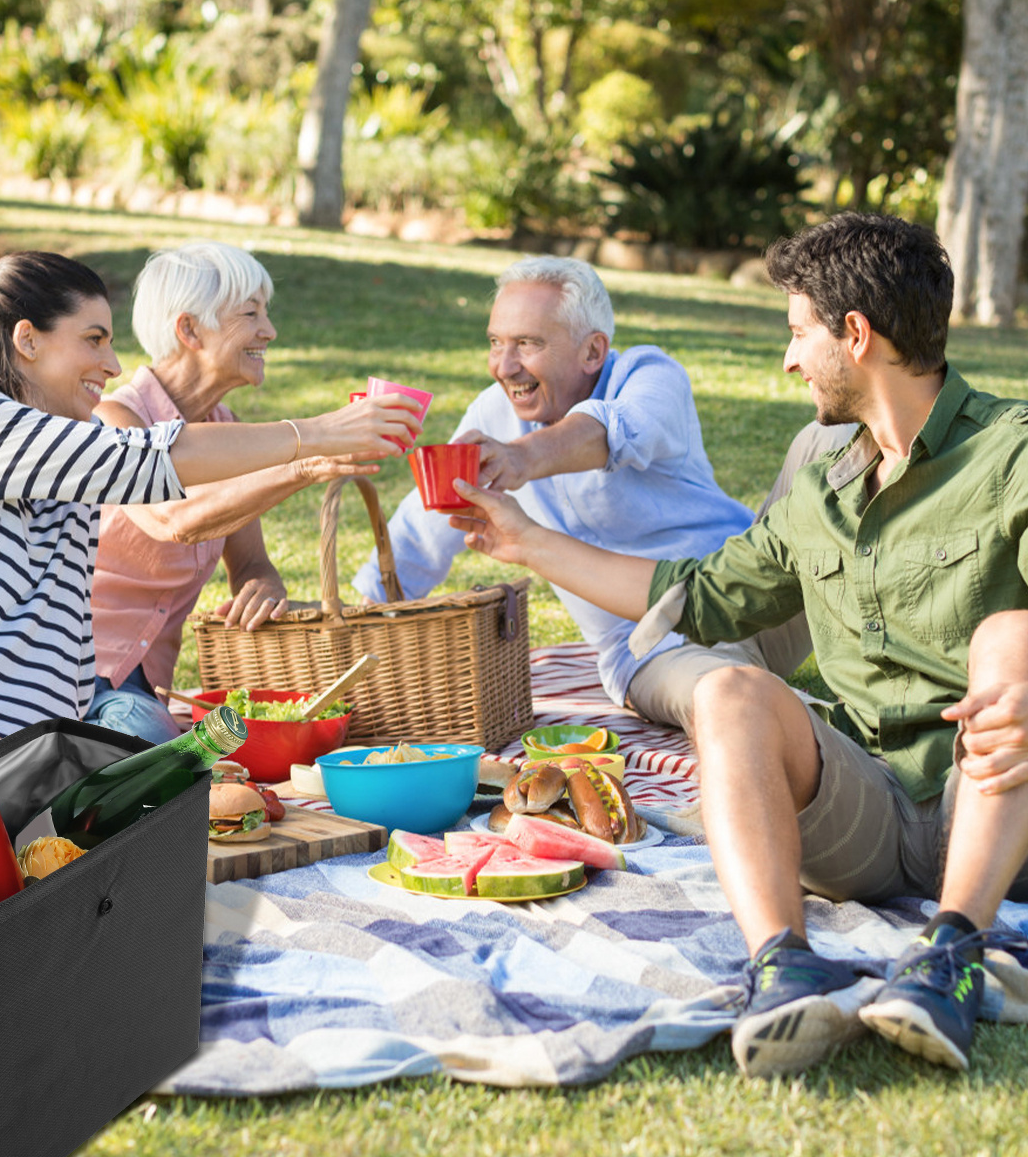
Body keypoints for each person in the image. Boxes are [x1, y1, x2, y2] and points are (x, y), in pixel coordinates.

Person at [450, 213, 1028, 1078]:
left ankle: (950, 953)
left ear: (856, 336)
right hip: (870, 805)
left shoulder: (1012, 450)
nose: (790, 358)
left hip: (990, 800)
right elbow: (702, 595)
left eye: (799, 334)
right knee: (726, 691)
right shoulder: (825, 477)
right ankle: (783, 968)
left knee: (1008, 635)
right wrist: (524, 540)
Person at [0, 252, 422, 830]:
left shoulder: (72, 465)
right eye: (93, 339)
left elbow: (61, 665)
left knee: (25, 806)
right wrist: (316, 435)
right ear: (28, 340)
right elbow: (144, 466)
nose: (113, 364)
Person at [352, 255, 849, 730]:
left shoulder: (651, 376)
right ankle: (836, 735)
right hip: (654, 647)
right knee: (734, 703)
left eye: (527, 343)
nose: (504, 366)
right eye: (495, 342)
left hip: (759, 592)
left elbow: (614, 431)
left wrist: (522, 457)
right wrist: (354, 624)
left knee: (833, 437)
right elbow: (421, 531)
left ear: (593, 350)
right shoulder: (491, 416)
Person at [85, 241, 381, 744]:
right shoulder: (116, 420)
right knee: (172, 759)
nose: (269, 330)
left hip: (144, 689)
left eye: (266, 312)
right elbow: (175, 519)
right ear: (189, 330)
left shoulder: (227, 429)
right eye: (251, 313)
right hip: (81, 678)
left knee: (253, 748)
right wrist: (302, 463)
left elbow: (250, 564)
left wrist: (264, 585)